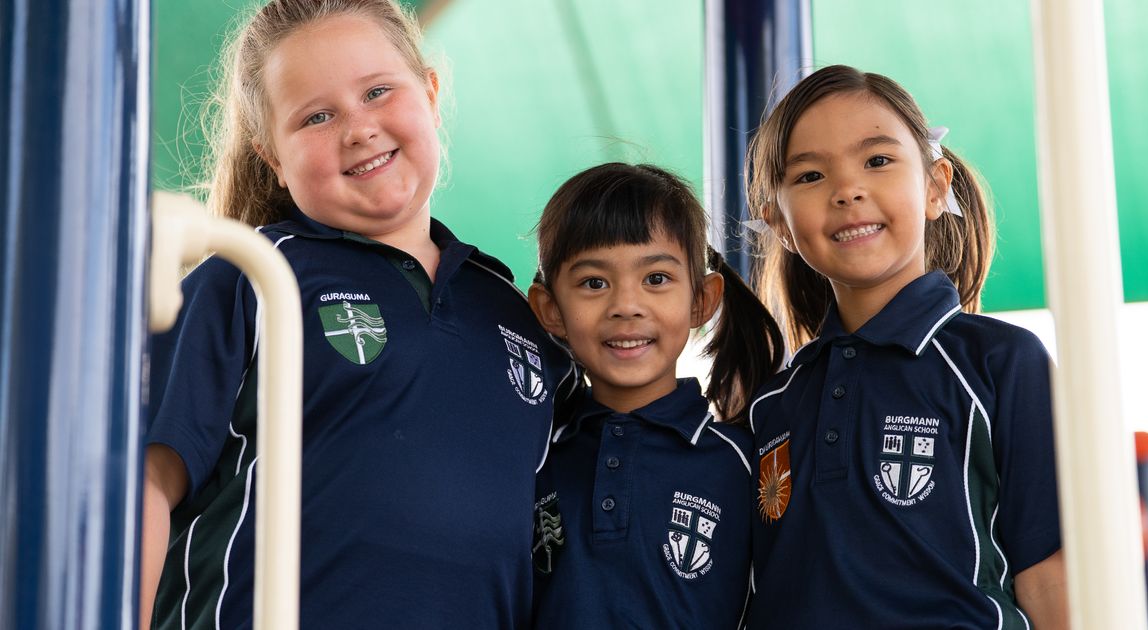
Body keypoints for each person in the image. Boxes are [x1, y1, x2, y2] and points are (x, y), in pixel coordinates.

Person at [140, 1, 570, 628]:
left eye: (377, 92)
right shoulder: (250, 277)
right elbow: (145, 484)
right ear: (272, 158)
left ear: (431, 93)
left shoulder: (520, 316)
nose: (359, 129)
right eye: (317, 116)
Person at [742, 65, 1069, 629]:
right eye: (811, 175)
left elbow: (1047, 573)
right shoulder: (769, 405)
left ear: (935, 187)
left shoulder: (1001, 363)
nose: (848, 191)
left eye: (877, 160)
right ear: (780, 225)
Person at [526, 163, 785, 628]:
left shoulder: (744, 463)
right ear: (551, 310)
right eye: (594, 283)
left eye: (656, 279)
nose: (626, 306)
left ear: (702, 300)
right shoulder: (531, 456)